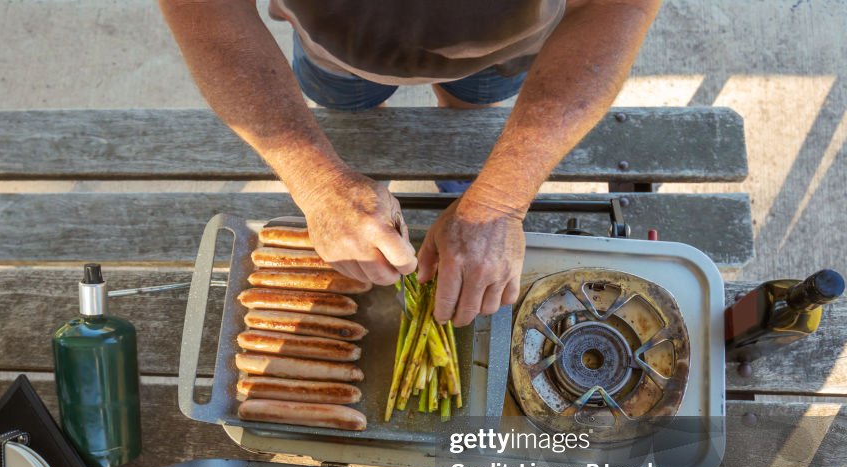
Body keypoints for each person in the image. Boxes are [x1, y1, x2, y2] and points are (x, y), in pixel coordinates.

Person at [158, 0, 661, 326]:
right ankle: (371, 164)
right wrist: (318, 182)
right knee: (352, 110)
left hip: (506, 53)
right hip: (335, 53)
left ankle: (457, 177)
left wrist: (499, 200)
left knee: (470, 109)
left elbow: (621, 6)